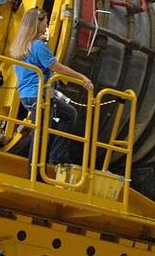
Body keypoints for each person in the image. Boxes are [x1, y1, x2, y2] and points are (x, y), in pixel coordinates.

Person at [9, 9, 93, 165]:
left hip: (26, 96)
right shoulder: (38, 46)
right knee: (42, 132)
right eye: (45, 21)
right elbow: (57, 67)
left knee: (63, 117)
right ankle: (42, 168)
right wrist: (82, 78)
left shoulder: (18, 47)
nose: (46, 25)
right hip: (39, 95)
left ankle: (54, 158)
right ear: (37, 23)